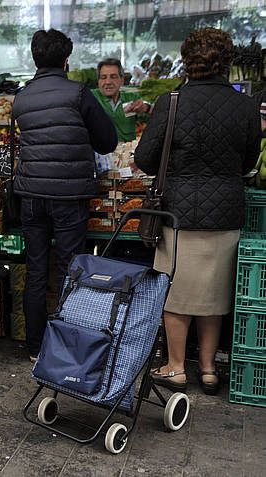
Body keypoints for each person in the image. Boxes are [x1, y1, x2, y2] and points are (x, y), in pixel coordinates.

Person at [134, 28, 261, 395]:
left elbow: (144, 159)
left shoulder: (171, 101)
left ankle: (176, 367)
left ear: (186, 60)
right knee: (213, 295)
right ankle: (207, 369)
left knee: (177, 294)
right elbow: (248, 161)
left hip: (179, 214)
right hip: (225, 212)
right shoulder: (245, 107)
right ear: (227, 61)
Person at [12, 29, 118, 362]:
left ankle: (34, 347)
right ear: (66, 60)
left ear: (35, 59)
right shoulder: (79, 94)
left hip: (30, 195)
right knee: (71, 268)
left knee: (36, 269)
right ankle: (66, 343)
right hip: (69, 197)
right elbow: (107, 142)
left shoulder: (22, 97)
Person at [92, 58, 151, 142]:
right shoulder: (90, 97)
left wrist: (146, 107)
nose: (108, 82)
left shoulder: (132, 97)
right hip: (101, 152)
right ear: (98, 81)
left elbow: (154, 117)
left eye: (113, 77)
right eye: (103, 77)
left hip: (126, 152)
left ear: (122, 80)